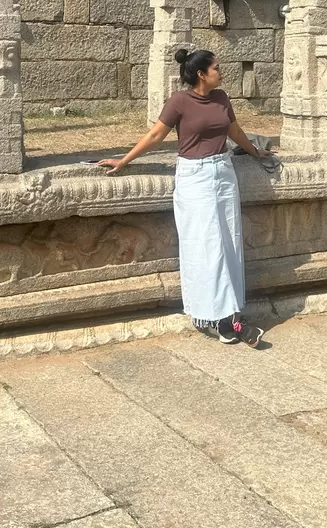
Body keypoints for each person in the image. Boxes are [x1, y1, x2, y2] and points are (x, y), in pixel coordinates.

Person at [98, 48, 270, 347]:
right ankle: (218, 317)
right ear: (201, 74)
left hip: (224, 173)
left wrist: (257, 152)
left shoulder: (221, 98)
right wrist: (123, 161)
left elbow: (235, 131)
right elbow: (155, 136)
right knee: (206, 246)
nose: (222, 71)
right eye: (217, 67)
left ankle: (228, 316)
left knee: (229, 241)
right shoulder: (179, 101)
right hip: (195, 177)